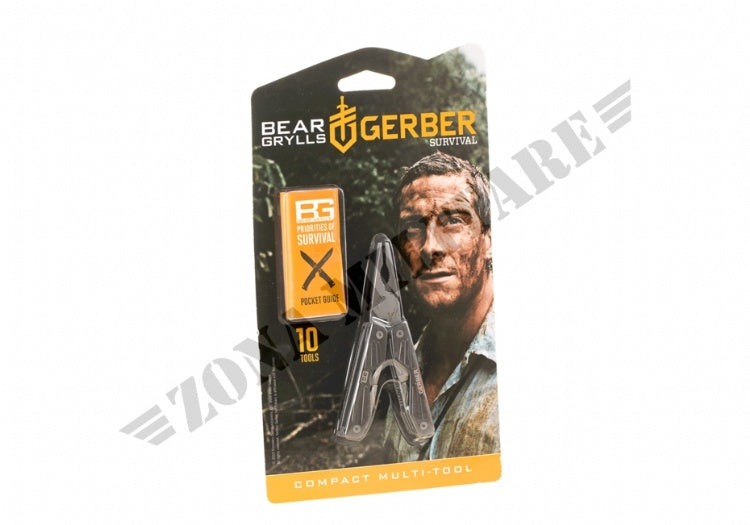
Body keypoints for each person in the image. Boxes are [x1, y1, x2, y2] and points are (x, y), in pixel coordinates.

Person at [383, 151, 500, 461]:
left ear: (489, 240)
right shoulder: (400, 369)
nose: (430, 247)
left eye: (453, 221)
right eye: (413, 226)